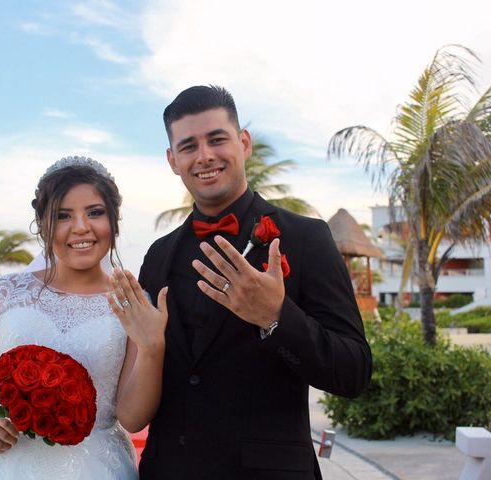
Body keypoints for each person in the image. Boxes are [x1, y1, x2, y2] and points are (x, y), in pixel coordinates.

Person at [136, 86, 372, 479]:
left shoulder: (306, 238)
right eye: (189, 146)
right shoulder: (158, 255)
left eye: (217, 139)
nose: (205, 156)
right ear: (172, 160)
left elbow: (354, 372)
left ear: (243, 143)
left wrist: (275, 317)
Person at [0, 156, 168, 479]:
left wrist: (152, 349)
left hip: (91, 468)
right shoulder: (4, 295)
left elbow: (132, 418)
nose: (81, 227)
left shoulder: (132, 303)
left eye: (95, 212)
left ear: (114, 219)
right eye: (63, 215)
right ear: (42, 223)